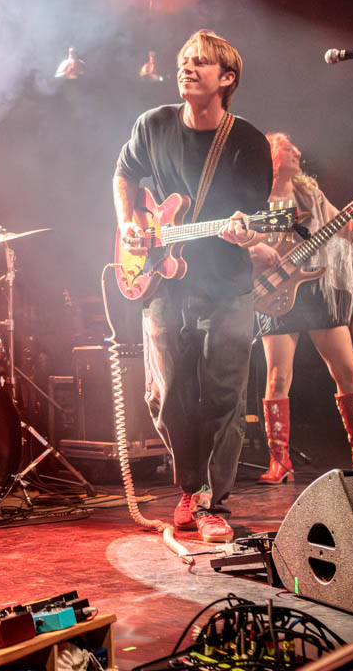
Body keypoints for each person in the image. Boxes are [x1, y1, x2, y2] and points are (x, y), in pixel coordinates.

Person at [113, 29, 272, 543]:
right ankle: (191, 486)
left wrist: (246, 232)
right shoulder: (152, 124)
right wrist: (129, 222)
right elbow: (124, 174)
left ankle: (210, 502)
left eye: (200, 62)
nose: (187, 67)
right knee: (164, 394)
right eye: (185, 60)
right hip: (163, 278)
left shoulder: (247, 141)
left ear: (227, 78)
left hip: (226, 284)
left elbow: (258, 220)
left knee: (222, 395)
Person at [251, 133, 353, 484]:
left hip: (317, 290)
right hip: (275, 291)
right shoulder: (255, 200)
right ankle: (279, 462)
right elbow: (243, 246)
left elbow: (347, 230)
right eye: (288, 147)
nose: (297, 151)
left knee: (347, 369)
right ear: (272, 156)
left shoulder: (312, 196)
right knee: (278, 377)